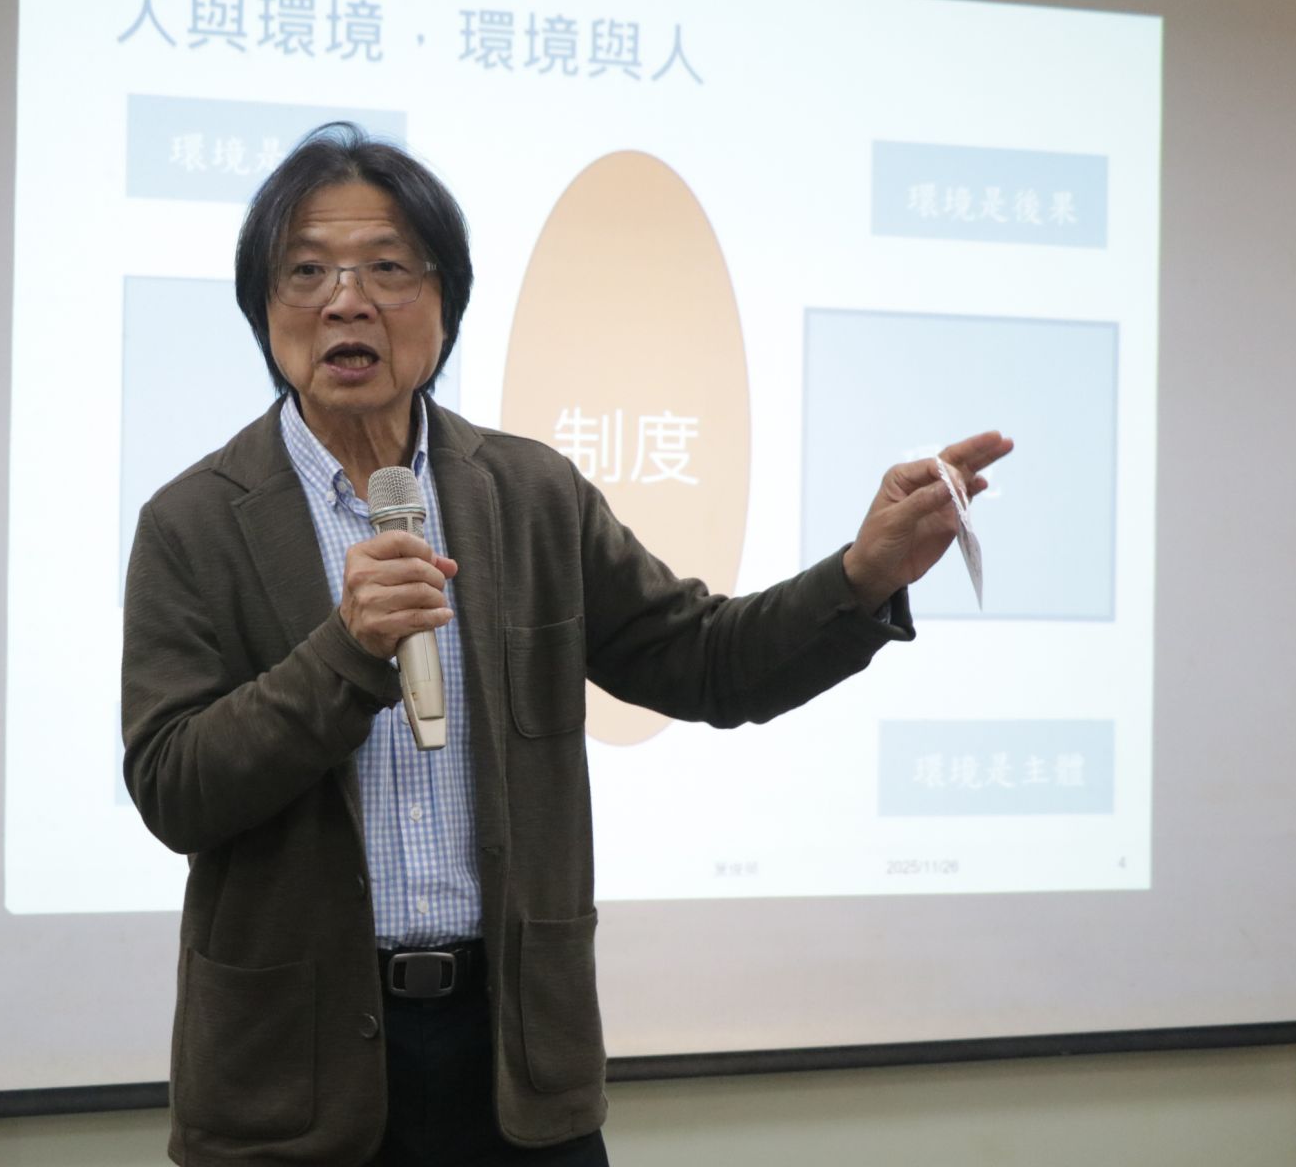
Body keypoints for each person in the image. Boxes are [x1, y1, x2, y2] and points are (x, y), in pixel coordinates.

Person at [122, 123, 1011, 1167]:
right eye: (306, 271)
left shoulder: (530, 495)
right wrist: (346, 654)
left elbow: (704, 660)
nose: (345, 301)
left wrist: (860, 576)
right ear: (262, 308)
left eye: (387, 269)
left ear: (445, 304)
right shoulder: (194, 521)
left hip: (515, 1063)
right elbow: (174, 786)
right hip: (292, 1080)